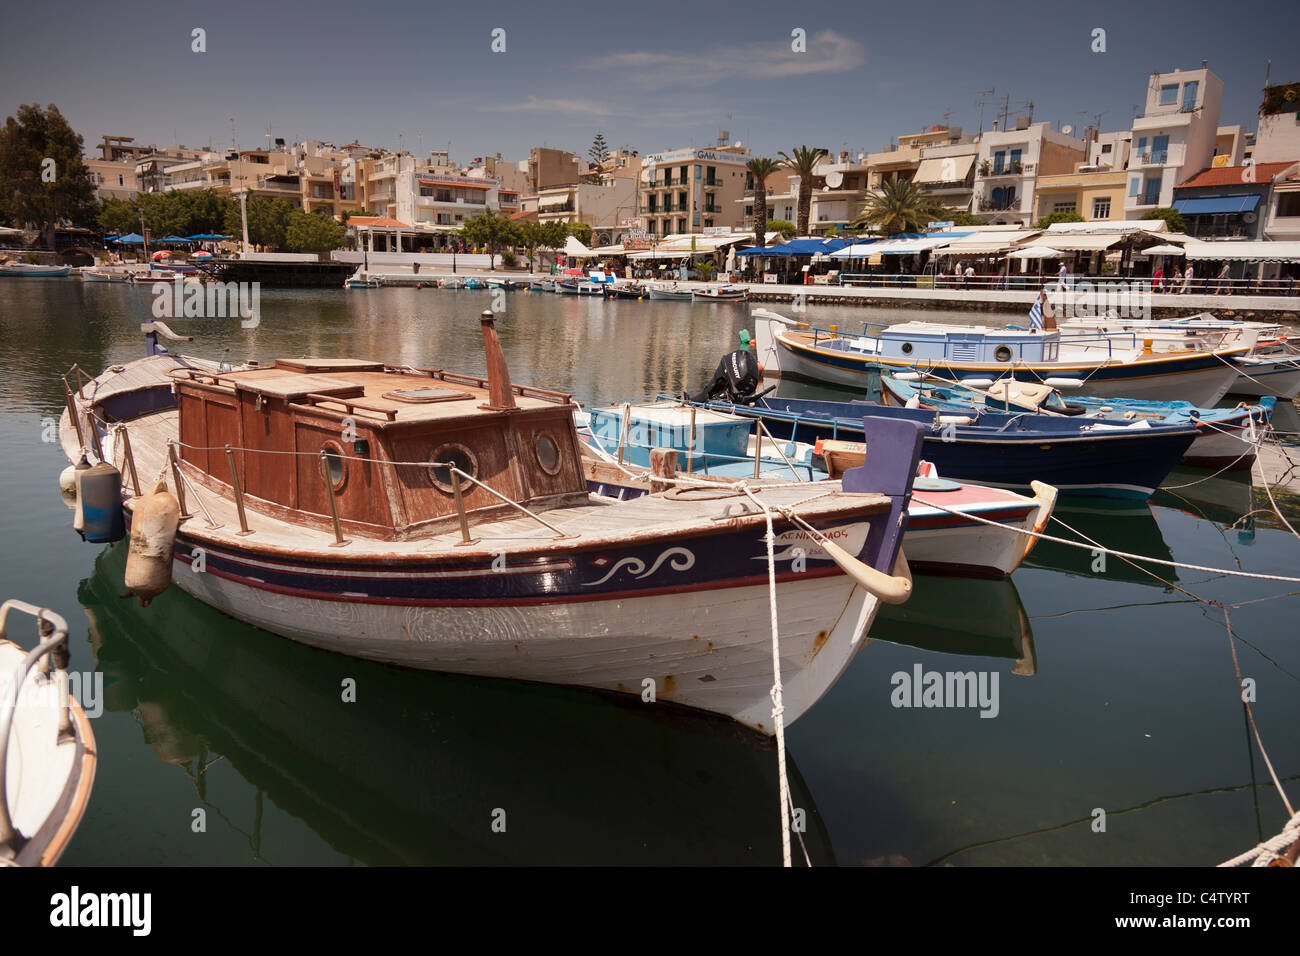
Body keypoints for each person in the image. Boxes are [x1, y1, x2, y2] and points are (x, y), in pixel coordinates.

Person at [687, 330, 763, 404]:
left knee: (709, 393)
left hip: (732, 379)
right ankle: (691, 402)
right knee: (708, 393)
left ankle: (691, 402)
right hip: (730, 378)